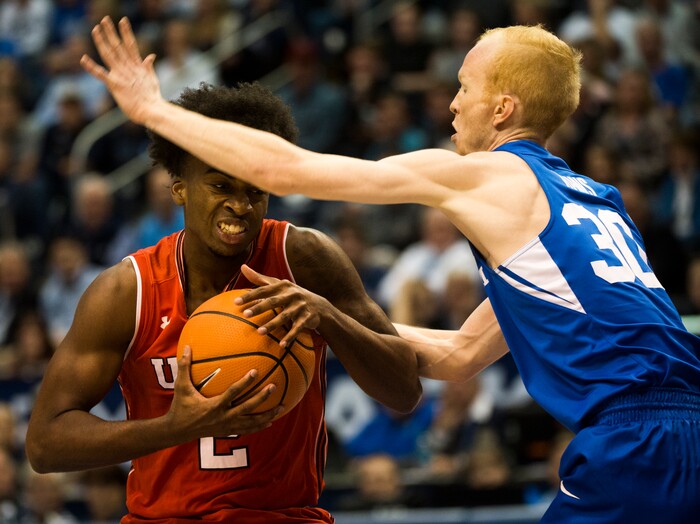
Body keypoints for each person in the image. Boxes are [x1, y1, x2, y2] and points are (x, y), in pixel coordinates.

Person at [80, 18, 700, 522]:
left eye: (465, 86)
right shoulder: (597, 202)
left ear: (504, 108)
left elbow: (286, 171)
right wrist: (321, 316)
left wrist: (154, 112)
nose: (453, 103)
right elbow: (459, 353)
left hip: (633, 442)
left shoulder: (492, 174)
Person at [25, 81, 421, 523]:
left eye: (254, 191)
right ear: (180, 188)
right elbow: (45, 443)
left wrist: (326, 316)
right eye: (220, 186)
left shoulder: (304, 259)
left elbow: (405, 391)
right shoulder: (127, 290)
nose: (240, 206)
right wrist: (174, 429)